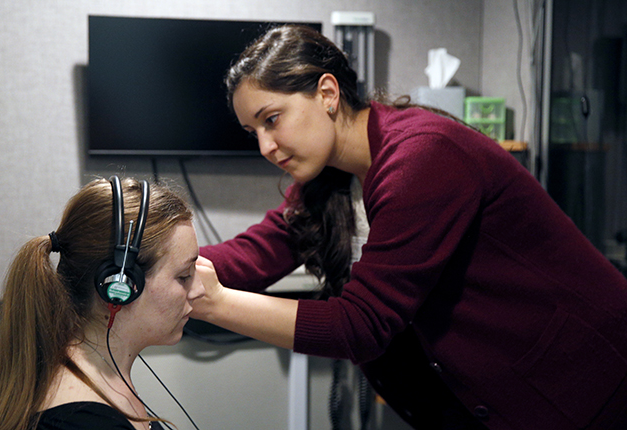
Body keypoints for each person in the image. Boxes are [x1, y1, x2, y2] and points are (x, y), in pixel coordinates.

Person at [192, 24, 627, 430]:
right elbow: (257, 251)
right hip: (493, 394)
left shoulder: (423, 158)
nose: (266, 146)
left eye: (272, 119)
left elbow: (359, 325)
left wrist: (213, 303)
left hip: (581, 382)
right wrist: (153, 260)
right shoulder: (329, 181)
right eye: (254, 132)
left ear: (327, 93)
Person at [0, 176, 204, 430]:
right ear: (119, 287)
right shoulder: (83, 422)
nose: (198, 290)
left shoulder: (95, 378)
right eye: (184, 276)